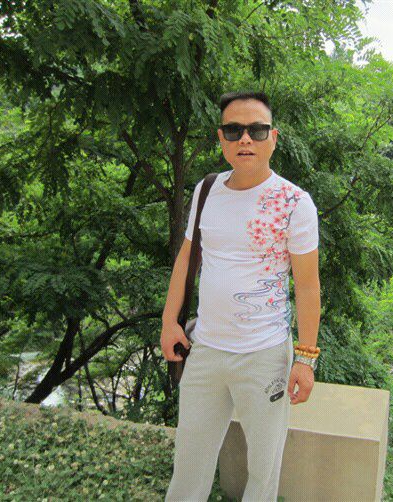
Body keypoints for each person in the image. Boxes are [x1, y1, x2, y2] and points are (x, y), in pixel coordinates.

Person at [160, 90, 321, 502]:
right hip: (205, 350)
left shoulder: (294, 203)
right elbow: (186, 258)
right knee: (189, 463)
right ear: (221, 138)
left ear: (273, 138)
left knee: (263, 470)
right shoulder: (206, 189)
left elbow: (307, 286)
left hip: (264, 354)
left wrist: (305, 358)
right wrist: (169, 322)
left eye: (256, 130)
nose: (245, 139)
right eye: (233, 130)